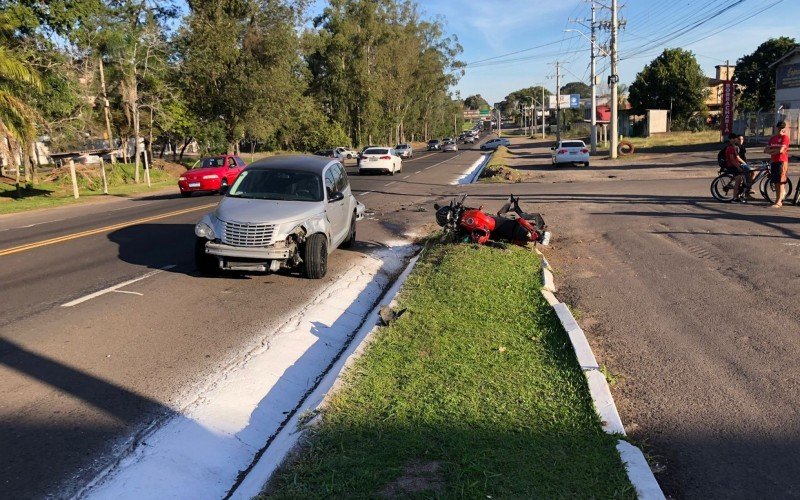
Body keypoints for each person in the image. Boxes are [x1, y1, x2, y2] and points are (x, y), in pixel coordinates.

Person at [764, 121, 790, 208]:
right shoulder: (772, 138)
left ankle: (779, 202)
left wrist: (772, 151)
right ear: (776, 128)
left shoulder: (785, 138)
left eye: (782, 128)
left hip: (782, 162)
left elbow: (781, 151)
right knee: (776, 182)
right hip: (774, 161)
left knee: (781, 182)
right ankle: (777, 200)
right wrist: (775, 151)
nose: (780, 130)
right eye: (779, 128)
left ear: (784, 129)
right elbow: (765, 150)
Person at [725, 133, 751, 202]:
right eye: (732, 139)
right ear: (730, 140)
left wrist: (744, 163)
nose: (734, 140)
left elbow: (737, 157)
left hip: (735, 165)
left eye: (735, 138)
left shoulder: (735, 147)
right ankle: (734, 198)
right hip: (731, 166)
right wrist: (738, 167)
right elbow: (732, 160)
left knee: (744, 175)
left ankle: (740, 195)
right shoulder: (730, 148)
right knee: (738, 179)